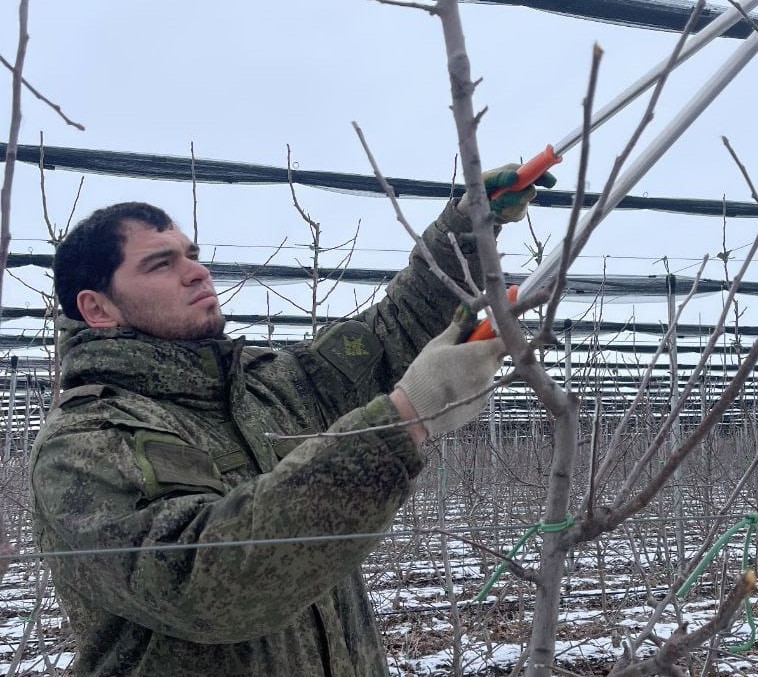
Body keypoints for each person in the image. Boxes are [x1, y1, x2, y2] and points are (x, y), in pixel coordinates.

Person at [28, 166, 554, 677]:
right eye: (160, 265)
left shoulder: (272, 385)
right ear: (98, 309)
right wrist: (404, 419)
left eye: (191, 255)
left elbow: (390, 331)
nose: (197, 271)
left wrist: (464, 228)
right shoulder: (84, 443)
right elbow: (204, 585)